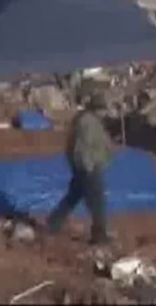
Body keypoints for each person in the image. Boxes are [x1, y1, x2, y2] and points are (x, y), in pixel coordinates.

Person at [47, 84, 115, 245]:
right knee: (97, 202)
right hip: (88, 167)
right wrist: (89, 167)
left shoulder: (88, 120)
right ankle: (99, 235)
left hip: (84, 167)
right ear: (98, 108)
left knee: (74, 196)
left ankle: (53, 223)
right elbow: (82, 148)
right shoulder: (88, 123)